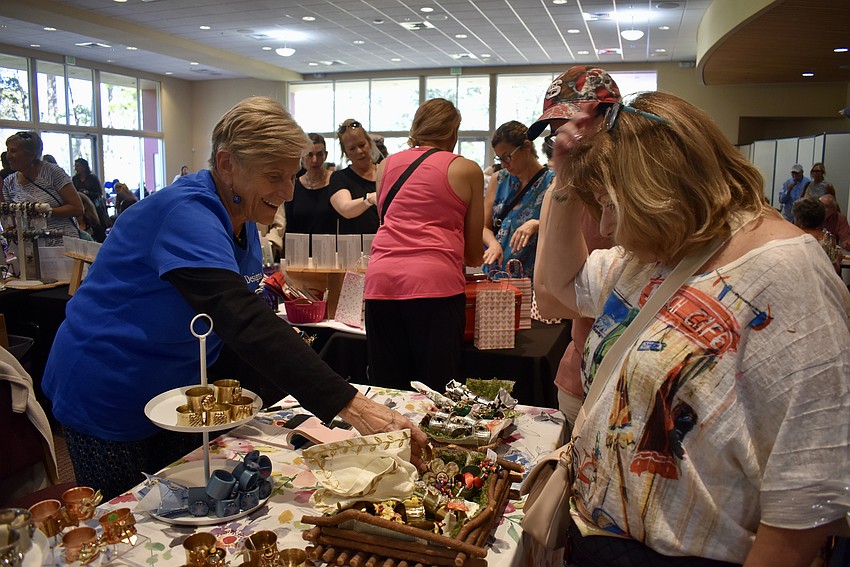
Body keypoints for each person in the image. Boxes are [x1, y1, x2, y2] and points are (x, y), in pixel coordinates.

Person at [41, 97, 428, 500]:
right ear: (227, 164)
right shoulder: (186, 212)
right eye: (274, 176)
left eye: (292, 176)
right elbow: (240, 319)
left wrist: (307, 399)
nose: (288, 192)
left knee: (191, 503)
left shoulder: (242, 216)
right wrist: (351, 405)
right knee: (132, 515)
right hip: (108, 385)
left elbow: (243, 322)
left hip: (177, 388)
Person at [537, 90, 850, 565]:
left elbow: (808, 485)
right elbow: (558, 289)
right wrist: (564, 177)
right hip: (602, 540)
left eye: (612, 204)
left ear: (659, 188)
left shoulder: (786, 271)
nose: (608, 227)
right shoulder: (655, 254)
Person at [364, 98, 484, 391]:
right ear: (453, 131)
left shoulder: (385, 166)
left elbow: (385, 220)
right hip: (436, 288)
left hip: (381, 283)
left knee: (388, 390)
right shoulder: (466, 169)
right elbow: (473, 254)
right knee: (437, 391)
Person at [528, 65, 621, 431]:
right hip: (583, 375)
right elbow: (548, 300)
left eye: (577, 126)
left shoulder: (644, 186)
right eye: (557, 133)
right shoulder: (561, 189)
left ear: (611, 119)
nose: (566, 142)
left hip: (641, 379)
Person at [482, 120, 555, 281]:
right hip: (495, 274)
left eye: (507, 157)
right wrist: (493, 243)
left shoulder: (552, 183)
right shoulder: (499, 179)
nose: (504, 165)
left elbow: (563, 226)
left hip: (531, 278)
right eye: (500, 159)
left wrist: (537, 224)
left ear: (526, 147)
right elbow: (484, 227)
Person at [2, 132, 84, 246]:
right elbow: (11, 219)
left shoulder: (52, 172)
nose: (8, 156)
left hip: (63, 244)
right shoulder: (9, 183)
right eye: (8, 150)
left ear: (31, 154)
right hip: (31, 247)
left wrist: (46, 212)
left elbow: (77, 208)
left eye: (13, 151)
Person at [329, 119, 379, 234]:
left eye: (362, 145)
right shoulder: (340, 178)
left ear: (369, 143)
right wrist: (369, 199)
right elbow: (345, 209)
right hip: (353, 242)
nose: (359, 151)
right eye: (352, 148)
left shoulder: (385, 172)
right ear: (346, 153)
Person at [284, 133, 338, 240]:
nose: (314, 160)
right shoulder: (294, 185)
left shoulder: (336, 181)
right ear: (302, 157)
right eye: (310, 155)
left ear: (326, 155)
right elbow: (289, 224)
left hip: (329, 246)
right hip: (300, 246)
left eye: (319, 154)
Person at [792, 197, 843, 270]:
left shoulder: (792, 238)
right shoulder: (827, 239)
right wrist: (837, 259)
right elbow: (834, 270)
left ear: (798, 219)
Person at [72, 158, 109, 229]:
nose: (76, 168)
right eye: (75, 166)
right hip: (80, 203)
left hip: (93, 204)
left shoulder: (93, 178)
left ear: (84, 167)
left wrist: (87, 193)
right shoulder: (75, 179)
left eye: (78, 166)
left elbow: (99, 193)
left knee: (95, 222)